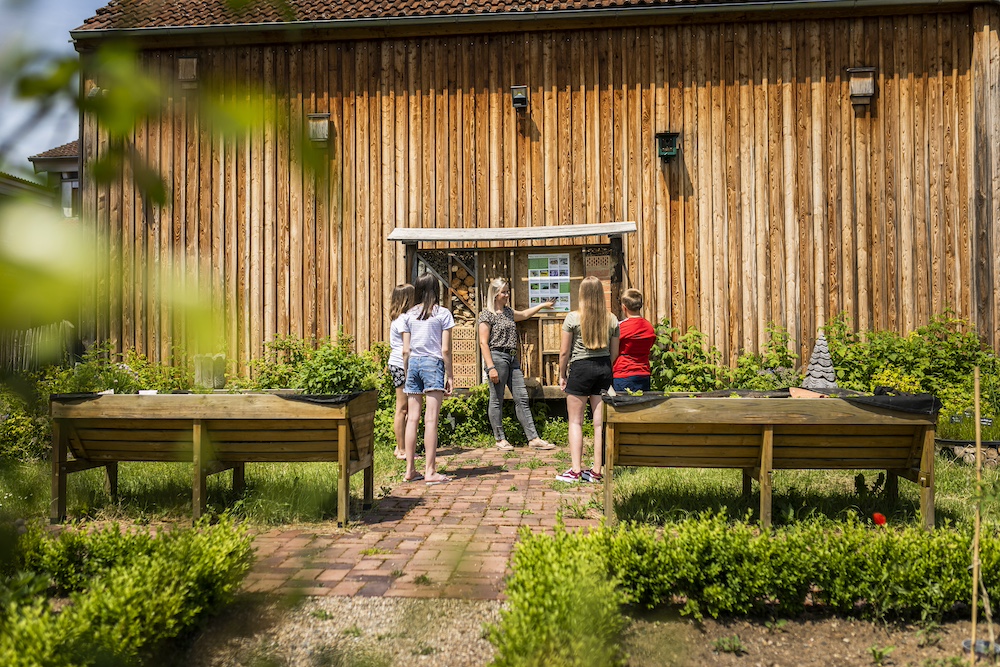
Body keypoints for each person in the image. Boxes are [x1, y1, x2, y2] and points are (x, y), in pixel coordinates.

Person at [477, 278, 557, 452]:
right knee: (496, 399)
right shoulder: (486, 315)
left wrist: (543, 305)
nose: (507, 295)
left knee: (521, 398)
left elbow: (525, 314)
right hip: (497, 357)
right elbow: (483, 343)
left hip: (512, 359)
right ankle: (500, 439)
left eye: (507, 291)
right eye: (504, 292)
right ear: (495, 294)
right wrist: (490, 367)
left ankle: (533, 438)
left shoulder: (508, 312)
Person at [557, 276, 619, 483]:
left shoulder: (572, 318)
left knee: (576, 421)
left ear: (581, 293)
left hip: (580, 369)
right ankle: (596, 470)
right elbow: (615, 353)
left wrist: (561, 374)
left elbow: (564, 352)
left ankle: (575, 470)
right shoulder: (611, 319)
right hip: (603, 368)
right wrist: (604, 368)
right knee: (599, 423)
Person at [401, 273, 454, 484]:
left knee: (412, 418)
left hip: (413, 364)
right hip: (433, 364)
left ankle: (410, 469)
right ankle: (430, 471)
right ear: (437, 289)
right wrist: (449, 375)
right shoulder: (443, 314)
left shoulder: (408, 315)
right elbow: (446, 349)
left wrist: (407, 373)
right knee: (430, 419)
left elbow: (405, 350)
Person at [387, 283, 414, 460]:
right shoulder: (404, 320)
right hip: (401, 365)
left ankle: (402, 447)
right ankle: (401, 449)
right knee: (403, 408)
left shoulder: (397, 319)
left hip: (397, 364)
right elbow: (406, 349)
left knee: (406, 409)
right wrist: (407, 370)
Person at [612, 288, 656, 393]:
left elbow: (614, 352)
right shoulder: (649, 327)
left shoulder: (621, 327)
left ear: (624, 307)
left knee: (622, 408)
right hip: (643, 373)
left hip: (623, 373)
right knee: (641, 407)